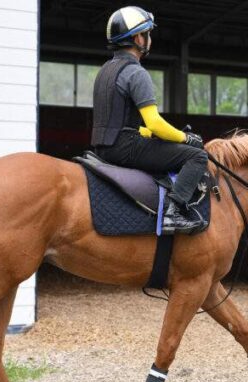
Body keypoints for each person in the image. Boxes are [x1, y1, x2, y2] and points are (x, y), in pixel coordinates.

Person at [91, 6, 208, 235]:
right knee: (197, 156)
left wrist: (148, 134)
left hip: (102, 148)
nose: (149, 39)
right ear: (137, 38)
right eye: (148, 34)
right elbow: (154, 122)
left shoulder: (105, 70)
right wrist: (186, 138)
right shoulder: (136, 73)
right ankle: (174, 214)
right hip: (125, 148)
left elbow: (121, 121)